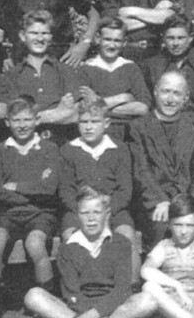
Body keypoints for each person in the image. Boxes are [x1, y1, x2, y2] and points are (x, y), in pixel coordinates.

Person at [0, 97, 62, 318]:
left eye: (28, 119)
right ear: (7, 122)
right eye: (16, 120)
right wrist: (30, 194)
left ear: (37, 120)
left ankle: (47, 302)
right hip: (8, 213)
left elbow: (50, 188)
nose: (22, 125)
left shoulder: (49, 148)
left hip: (41, 214)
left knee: (35, 243)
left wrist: (15, 186)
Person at [129, 71, 194, 252]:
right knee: (160, 225)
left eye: (177, 93)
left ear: (185, 98)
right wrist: (160, 201)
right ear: (155, 92)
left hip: (193, 196)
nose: (170, 99)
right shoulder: (138, 127)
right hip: (157, 199)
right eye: (165, 91)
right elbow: (141, 171)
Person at [24, 186, 137, 318]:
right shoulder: (67, 248)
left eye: (97, 212)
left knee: (147, 300)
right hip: (79, 310)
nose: (91, 218)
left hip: (113, 309)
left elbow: (122, 290)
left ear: (107, 214)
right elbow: (71, 293)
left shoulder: (120, 243)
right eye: (85, 213)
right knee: (34, 295)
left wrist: (97, 313)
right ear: (77, 215)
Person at [58, 98, 139, 278]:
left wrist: (106, 211)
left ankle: (131, 288)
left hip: (113, 209)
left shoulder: (119, 149)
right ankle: (78, 290)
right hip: (79, 210)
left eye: (94, 122)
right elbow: (66, 192)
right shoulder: (68, 150)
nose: (88, 127)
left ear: (106, 123)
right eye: (84, 122)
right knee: (70, 236)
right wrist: (86, 212)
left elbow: (125, 191)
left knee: (126, 235)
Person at [6, 10, 82, 145]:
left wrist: (32, 116)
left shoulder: (65, 70)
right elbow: (14, 116)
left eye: (45, 33)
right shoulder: (13, 74)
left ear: (51, 37)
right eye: (34, 33)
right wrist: (58, 111)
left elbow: (74, 114)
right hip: (25, 145)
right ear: (23, 36)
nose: (40, 39)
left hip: (61, 142)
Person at [78, 17, 151, 141]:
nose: (112, 45)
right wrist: (123, 98)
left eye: (117, 41)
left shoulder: (131, 68)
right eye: (107, 39)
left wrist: (100, 104)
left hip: (129, 134)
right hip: (97, 134)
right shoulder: (86, 70)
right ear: (97, 39)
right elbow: (85, 109)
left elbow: (143, 107)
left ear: (124, 42)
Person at [139, 15, 194, 116]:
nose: (175, 43)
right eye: (170, 38)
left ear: (190, 38)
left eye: (181, 38)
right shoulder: (150, 66)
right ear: (163, 38)